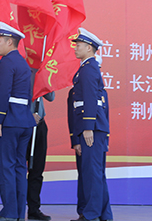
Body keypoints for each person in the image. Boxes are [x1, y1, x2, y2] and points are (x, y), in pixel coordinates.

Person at [0, 22, 36, 221]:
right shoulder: (23, 63)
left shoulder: (7, 62)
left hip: (9, 121)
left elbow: (3, 93)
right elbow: (28, 94)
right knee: (19, 168)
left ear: (9, 42)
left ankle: (9, 213)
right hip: (24, 121)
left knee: (6, 167)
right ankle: (18, 213)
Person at [71, 28, 112, 221]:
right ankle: (103, 214)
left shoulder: (88, 68)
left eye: (78, 45)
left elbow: (90, 98)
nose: (75, 48)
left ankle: (92, 214)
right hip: (94, 127)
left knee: (93, 172)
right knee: (96, 172)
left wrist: (88, 127)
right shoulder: (87, 67)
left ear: (89, 48)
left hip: (92, 128)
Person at [26, 86, 55, 221]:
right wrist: (28, 115)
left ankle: (34, 209)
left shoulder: (42, 75)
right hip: (23, 124)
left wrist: (45, 82)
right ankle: (16, 208)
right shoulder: (21, 74)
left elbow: (51, 97)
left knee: (37, 170)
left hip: (40, 125)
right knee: (19, 169)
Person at [67, 87, 84, 221]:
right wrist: (75, 141)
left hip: (97, 140)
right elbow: (72, 117)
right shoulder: (74, 92)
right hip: (82, 139)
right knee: (84, 176)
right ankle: (84, 211)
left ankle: (97, 211)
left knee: (96, 177)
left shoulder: (101, 91)